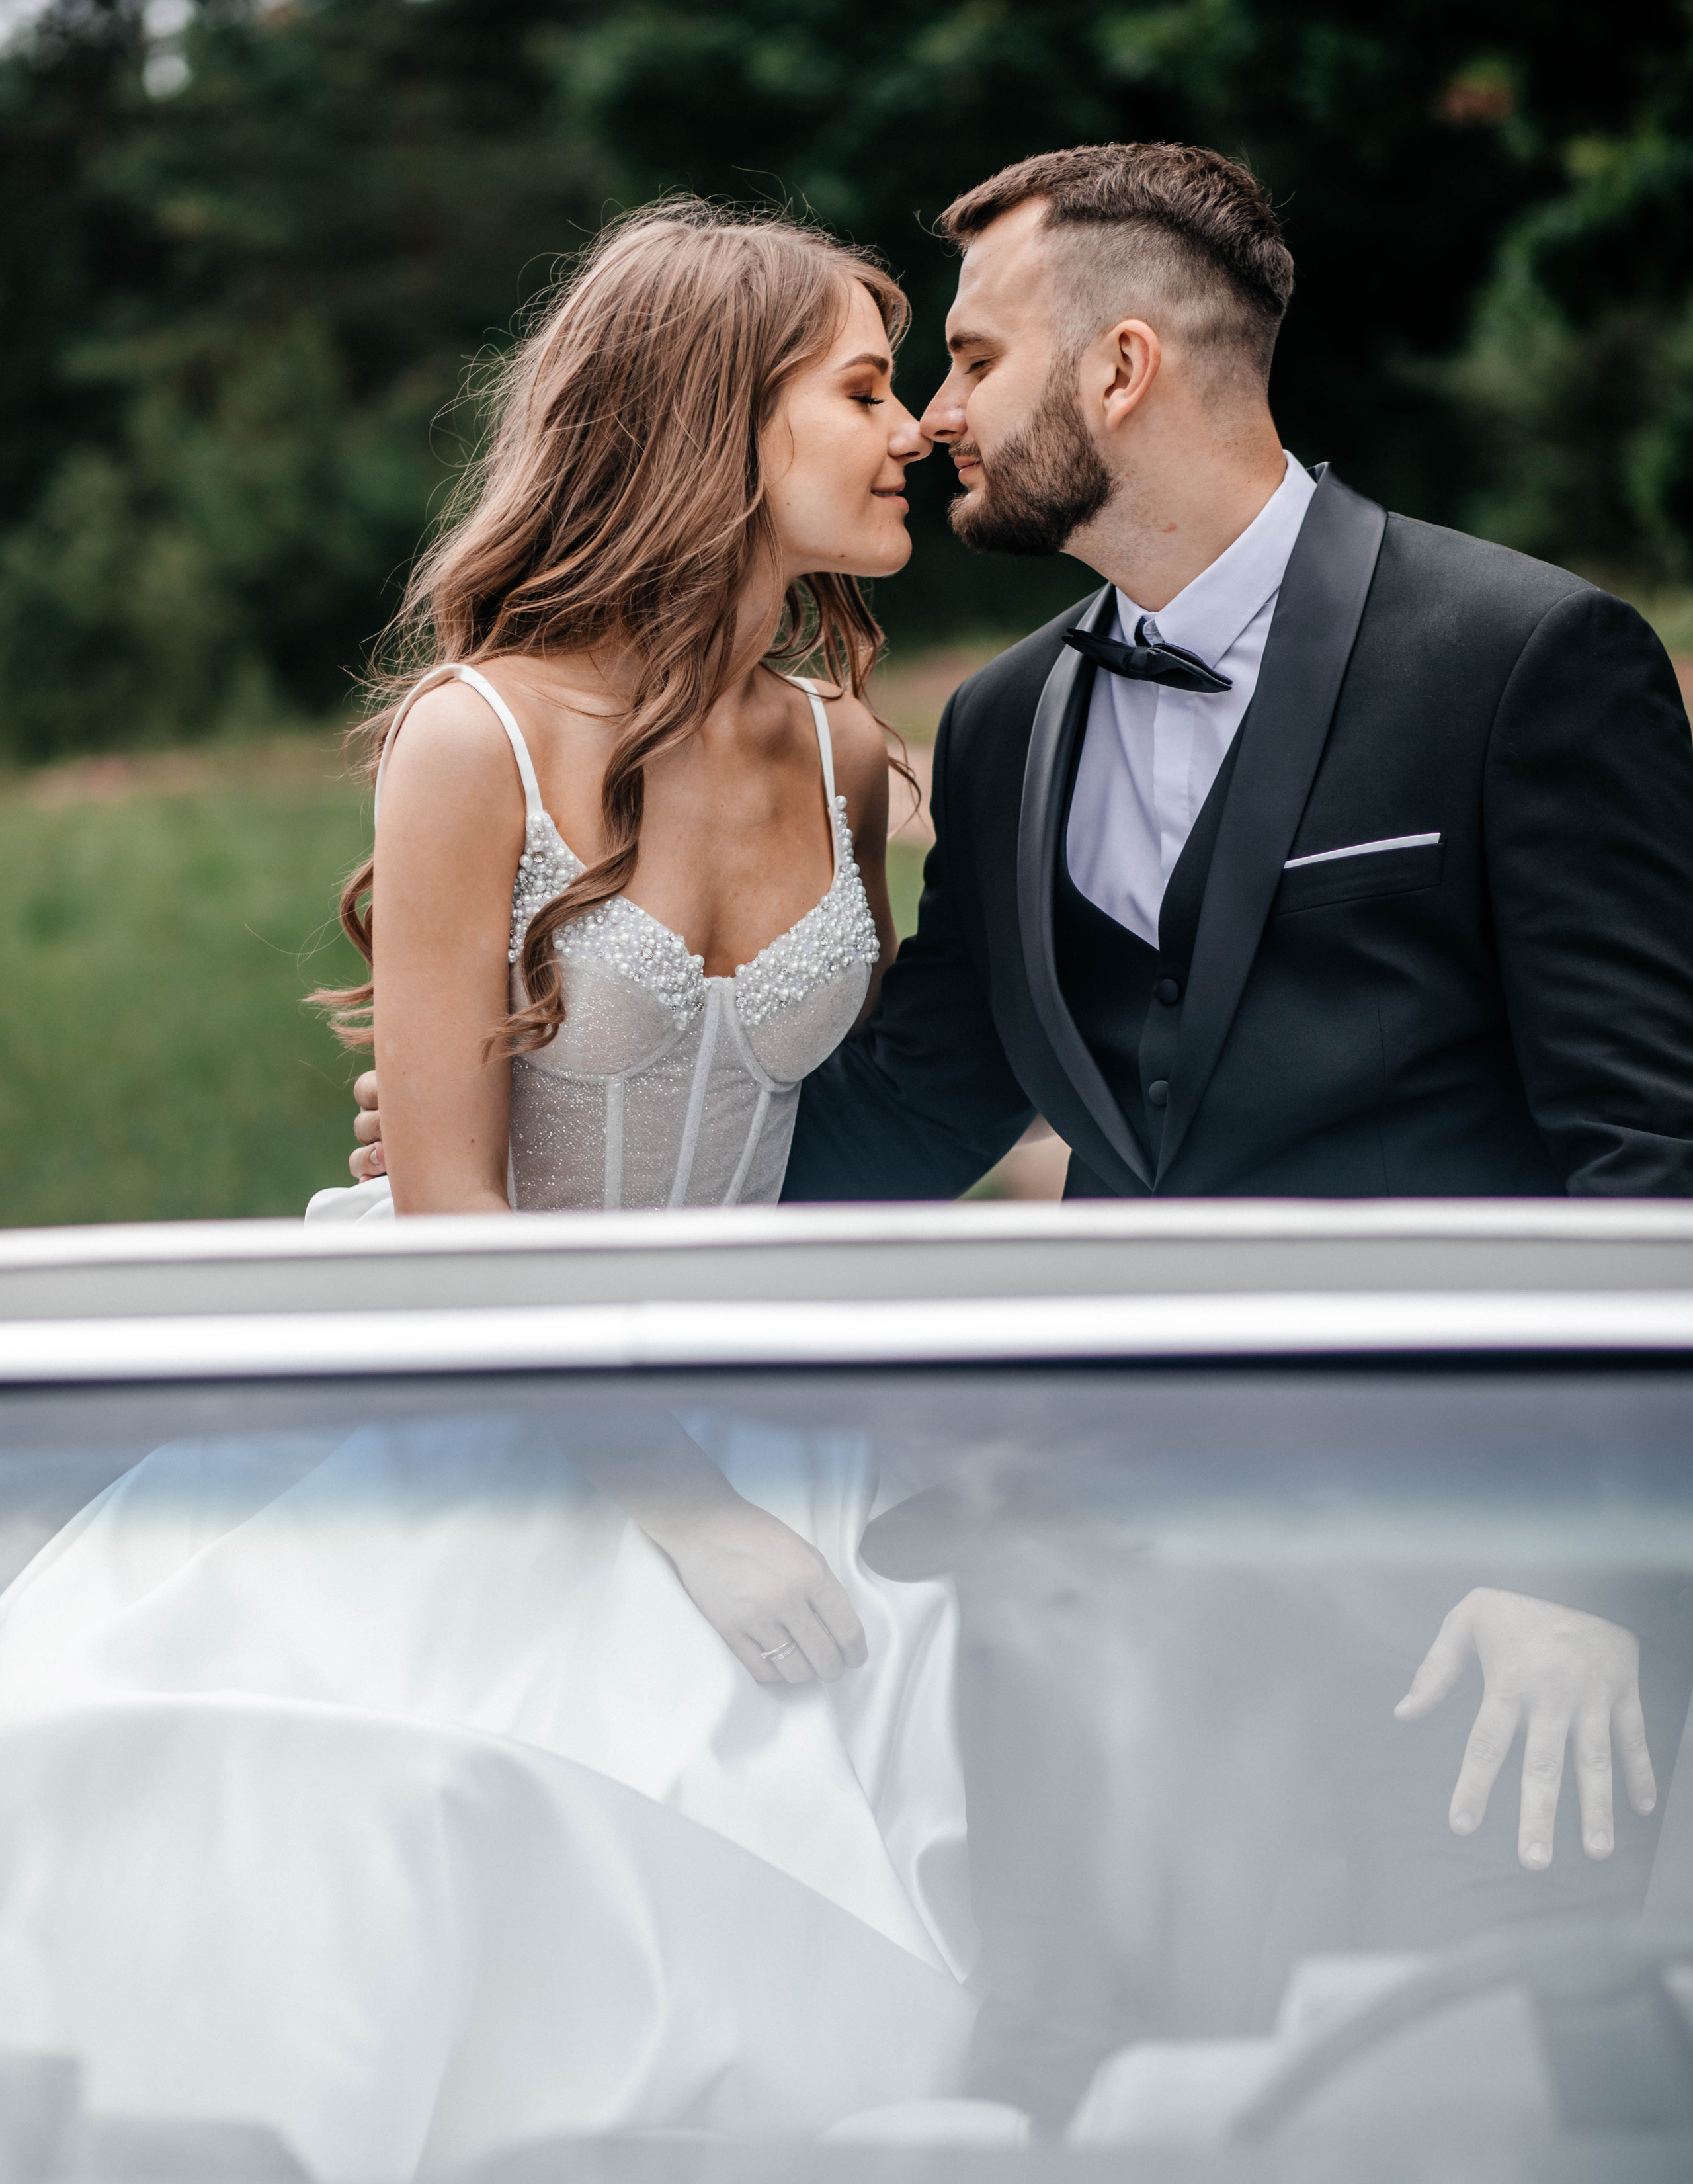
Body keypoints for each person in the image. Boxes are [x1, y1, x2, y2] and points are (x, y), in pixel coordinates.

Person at [354, 144, 1691, 1888]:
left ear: (1121, 370)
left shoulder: (1519, 659)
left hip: (1469, 1585)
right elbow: (911, 1096)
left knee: (1491, 2043)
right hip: (1102, 1582)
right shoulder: (1001, 728)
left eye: (970, 360)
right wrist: (520, 1171)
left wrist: (1583, 1558)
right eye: (892, 381)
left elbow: (1654, 1151)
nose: (931, 419)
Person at [0, 204, 981, 2184]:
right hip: (492, 1386)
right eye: (867, 390)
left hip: (775, 1401)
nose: (916, 436)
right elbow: (451, 1208)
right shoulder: (480, 742)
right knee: (432, 1863)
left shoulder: (849, 753)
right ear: (717, 419)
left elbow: (906, 1114)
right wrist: (685, 1520)